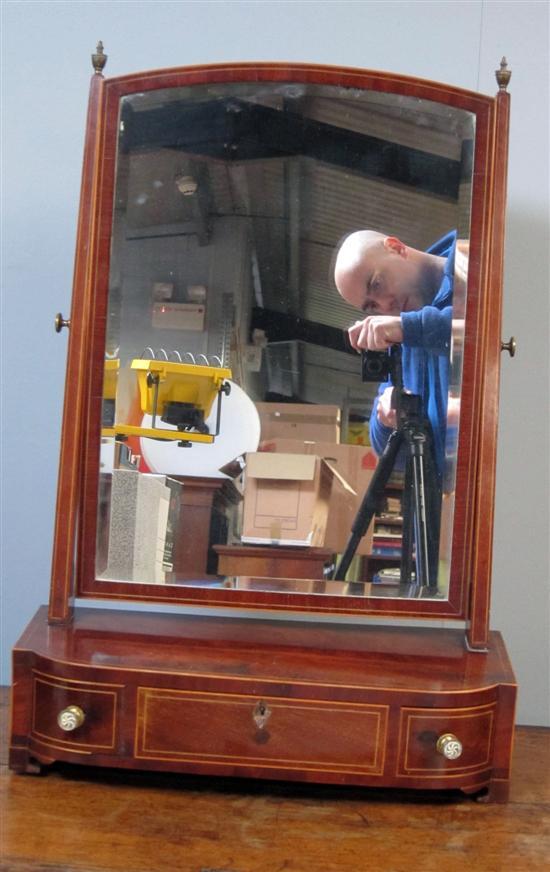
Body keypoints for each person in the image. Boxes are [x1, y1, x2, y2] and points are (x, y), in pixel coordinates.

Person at [334, 228, 457, 478]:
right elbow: (397, 462)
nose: (384, 306)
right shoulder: (402, 341)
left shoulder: (481, 261)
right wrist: (386, 419)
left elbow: (493, 333)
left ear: (396, 247)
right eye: (371, 306)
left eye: (376, 285)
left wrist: (411, 328)